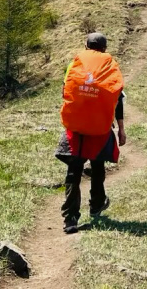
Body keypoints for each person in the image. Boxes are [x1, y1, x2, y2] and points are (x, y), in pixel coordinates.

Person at [57, 32, 126, 234]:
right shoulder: (110, 66)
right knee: (97, 167)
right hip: (100, 127)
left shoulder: (74, 63)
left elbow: (65, 91)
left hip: (76, 127)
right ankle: (96, 204)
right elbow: (118, 99)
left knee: (74, 171)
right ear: (104, 48)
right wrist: (121, 129)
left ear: (86, 46)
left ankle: (70, 219)